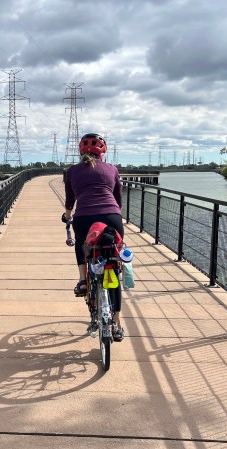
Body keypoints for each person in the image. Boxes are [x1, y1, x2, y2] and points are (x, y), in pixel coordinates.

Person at [63, 133, 124, 341]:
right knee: (113, 265)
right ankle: (117, 324)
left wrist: (67, 216)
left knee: (81, 242)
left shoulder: (72, 171)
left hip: (83, 218)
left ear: (81, 152)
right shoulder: (112, 169)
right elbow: (118, 199)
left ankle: (83, 280)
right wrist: (114, 213)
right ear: (102, 152)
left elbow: (70, 201)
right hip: (112, 217)